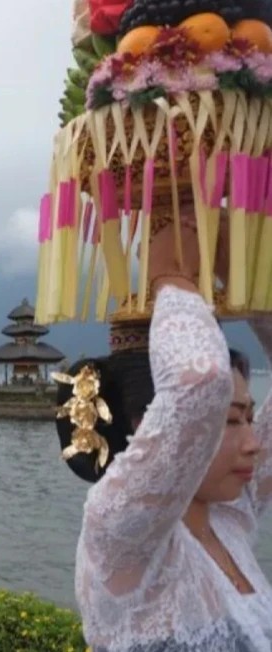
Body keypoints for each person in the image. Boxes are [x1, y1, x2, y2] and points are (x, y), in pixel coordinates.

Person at [55, 216, 272, 649]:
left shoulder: (229, 517)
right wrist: (170, 270)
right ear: (149, 425)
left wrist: (248, 284)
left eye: (248, 418)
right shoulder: (118, 534)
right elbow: (199, 383)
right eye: (228, 420)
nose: (253, 443)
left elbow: (203, 388)